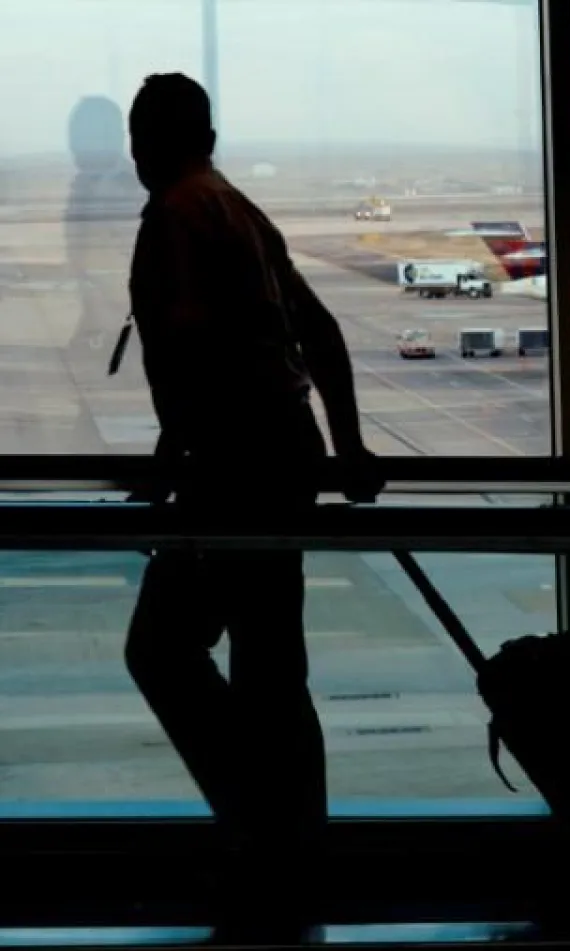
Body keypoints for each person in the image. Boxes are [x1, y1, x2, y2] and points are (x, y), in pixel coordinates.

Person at [121, 73, 382, 921]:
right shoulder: (237, 207)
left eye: (138, 132)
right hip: (283, 452)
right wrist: (347, 447)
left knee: (163, 651)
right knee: (272, 667)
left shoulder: (176, 217)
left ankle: (265, 839)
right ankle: (289, 850)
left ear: (152, 141)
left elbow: (195, 354)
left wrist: (177, 461)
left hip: (232, 463)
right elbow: (322, 331)